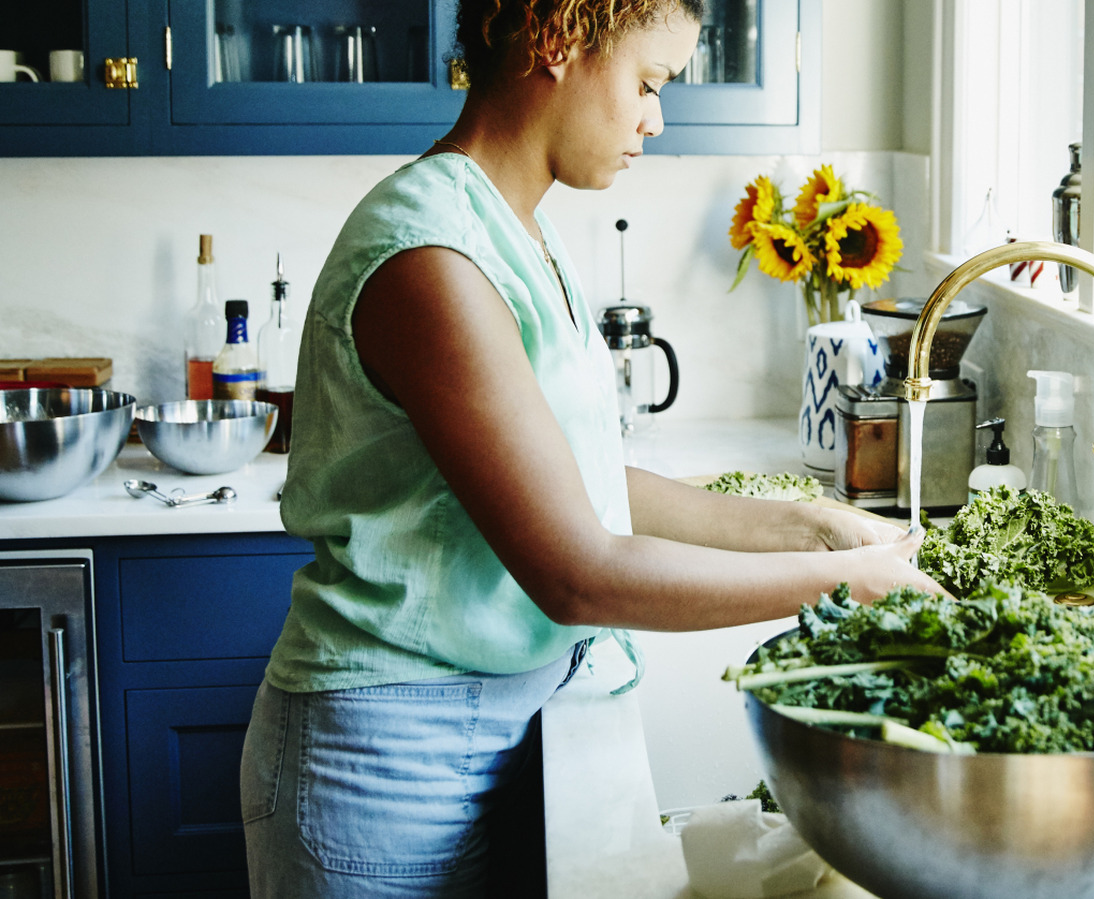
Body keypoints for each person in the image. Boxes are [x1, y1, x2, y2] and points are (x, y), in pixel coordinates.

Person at [239, 1, 943, 896]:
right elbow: (577, 569)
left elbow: (590, 488)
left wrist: (804, 526)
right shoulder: (431, 259)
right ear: (555, 37)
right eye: (647, 83)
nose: (656, 116)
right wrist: (841, 583)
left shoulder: (520, 229)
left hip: (491, 727)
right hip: (384, 766)